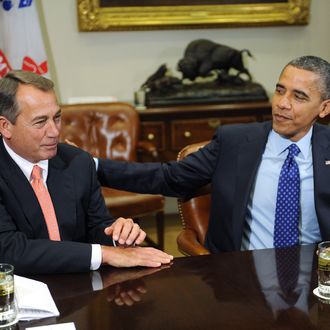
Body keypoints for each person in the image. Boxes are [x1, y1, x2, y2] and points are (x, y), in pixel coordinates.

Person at [95, 55, 330, 253]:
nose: (282, 103)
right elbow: (168, 178)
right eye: (280, 91)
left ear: (324, 108)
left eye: (298, 97)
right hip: (242, 277)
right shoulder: (234, 142)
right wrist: (93, 165)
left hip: (316, 277)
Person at [0, 70, 173, 274]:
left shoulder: (78, 162)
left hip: (78, 287)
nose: (55, 132)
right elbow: (10, 250)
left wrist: (117, 235)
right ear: (5, 127)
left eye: (56, 118)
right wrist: (106, 254)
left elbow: (96, 226)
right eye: (40, 122)